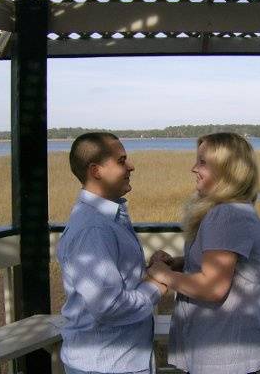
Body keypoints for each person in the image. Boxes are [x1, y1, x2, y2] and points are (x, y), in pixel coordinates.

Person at [148, 133, 260, 374]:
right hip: (227, 343)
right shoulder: (234, 209)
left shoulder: (225, 215)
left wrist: (161, 274)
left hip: (222, 348)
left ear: (226, 169)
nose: (194, 168)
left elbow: (212, 288)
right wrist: (179, 263)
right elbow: (227, 265)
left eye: (202, 162)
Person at [57, 132, 167, 374]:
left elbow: (114, 285)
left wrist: (149, 271)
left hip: (116, 360)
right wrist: (156, 286)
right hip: (107, 364)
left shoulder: (106, 218)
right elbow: (109, 306)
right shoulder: (93, 228)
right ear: (96, 171)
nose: (131, 166)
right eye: (121, 161)